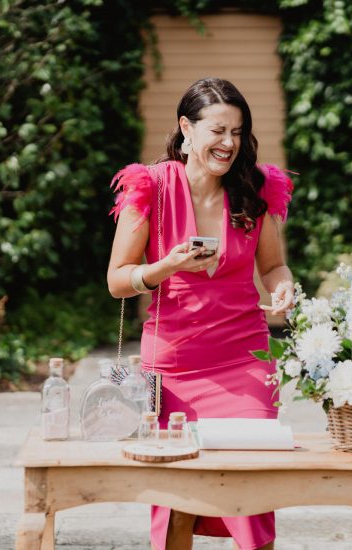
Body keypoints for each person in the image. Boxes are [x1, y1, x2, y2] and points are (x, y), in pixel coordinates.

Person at [107, 77, 295, 550]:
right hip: (173, 366)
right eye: (217, 130)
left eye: (237, 131)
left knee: (252, 494)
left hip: (243, 361)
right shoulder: (149, 187)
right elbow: (117, 280)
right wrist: (165, 266)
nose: (229, 143)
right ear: (186, 129)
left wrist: (284, 285)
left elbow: (272, 266)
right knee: (177, 502)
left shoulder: (257, 189)